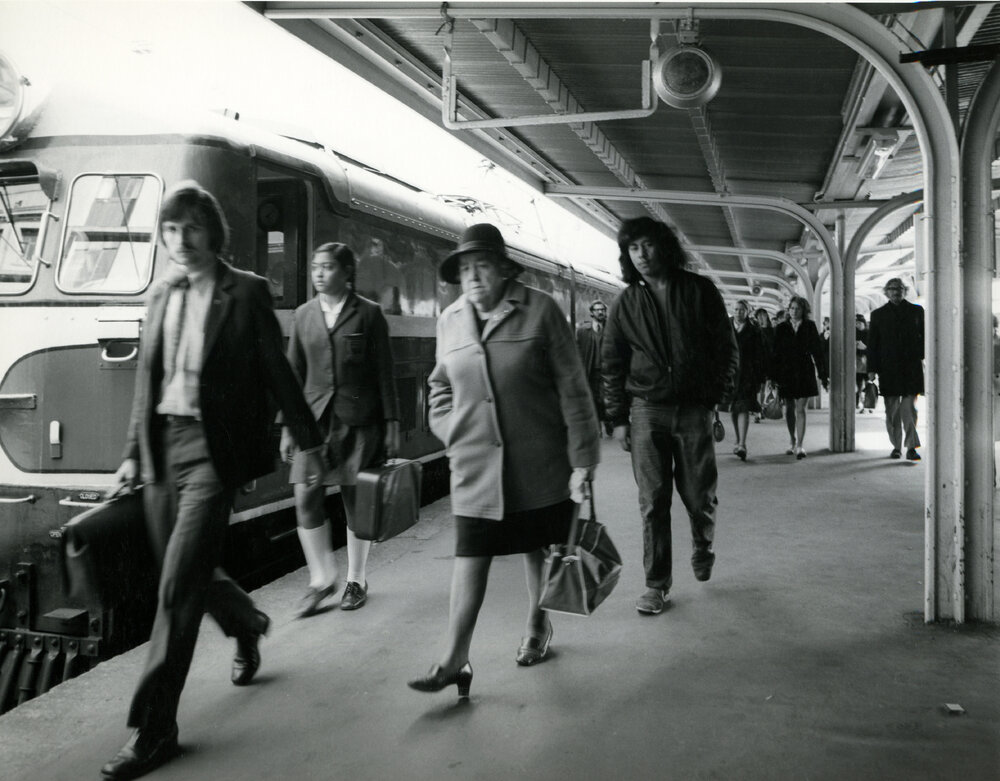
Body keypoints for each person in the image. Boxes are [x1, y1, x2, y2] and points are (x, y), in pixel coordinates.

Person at [102, 181, 325, 780]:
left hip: (211, 456)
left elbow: (276, 371)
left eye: (193, 227)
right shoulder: (159, 293)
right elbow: (146, 384)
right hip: (160, 452)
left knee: (176, 588)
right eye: (171, 230)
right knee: (186, 569)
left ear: (214, 230)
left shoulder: (244, 291)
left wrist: (311, 443)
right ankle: (247, 622)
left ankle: (156, 732)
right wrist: (131, 453)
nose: (181, 241)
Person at [408, 223, 598, 698]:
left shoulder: (541, 312)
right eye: (464, 269)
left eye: (481, 266)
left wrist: (582, 463)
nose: (472, 277)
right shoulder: (450, 319)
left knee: (539, 550)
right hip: (475, 468)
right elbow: (439, 387)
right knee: (471, 555)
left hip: (540, 464)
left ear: (503, 269)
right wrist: (451, 430)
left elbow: (573, 387)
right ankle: (454, 659)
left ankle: (537, 626)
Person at [602, 217, 737, 616]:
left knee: (699, 496)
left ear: (664, 246)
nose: (641, 255)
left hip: (694, 408)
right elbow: (612, 362)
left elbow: (725, 349)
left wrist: (716, 397)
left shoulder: (700, 291)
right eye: (633, 249)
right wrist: (619, 417)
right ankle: (656, 585)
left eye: (647, 245)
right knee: (652, 501)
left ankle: (703, 544)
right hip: (646, 409)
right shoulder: (625, 303)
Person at [280, 242, 400, 618]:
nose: (318, 273)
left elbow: (385, 374)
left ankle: (356, 580)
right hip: (313, 422)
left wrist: (393, 424)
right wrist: (287, 426)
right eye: (316, 267)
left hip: (359, 420)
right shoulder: (302, 315)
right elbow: (293, 375)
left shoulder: (369, 314)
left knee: (355, 502)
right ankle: (321, 579)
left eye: (328, 267)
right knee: (304, 495)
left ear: (347, 273)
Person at [866, 278, 924, 460]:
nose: (896, 291)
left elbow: (925, 336)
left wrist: (921, 356)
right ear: (886, 292)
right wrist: (871, 369)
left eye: (899, 288)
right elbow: (872, 345)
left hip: (911, 367)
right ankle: (896, 446)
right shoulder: (877, 315)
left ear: (904, 291)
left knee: (909, 409)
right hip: (888, 369)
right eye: (892, 289)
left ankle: (911, 447)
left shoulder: (917, 311)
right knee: (892, 411)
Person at [771, 295, 828, 459]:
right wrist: (772, 376)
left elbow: (817, 351)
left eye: (798, 308)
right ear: (788, 310)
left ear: (804, 310)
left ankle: (800, 445)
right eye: (792, 308)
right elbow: (775, 353)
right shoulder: (781, 328)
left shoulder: (810, 326)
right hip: (786, 371)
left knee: (801, 408)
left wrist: (823, 375)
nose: (794, 311)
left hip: (804, 369)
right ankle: (792, 439)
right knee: (789, 408)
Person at [728, 300, 765, 460]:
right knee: (733, 408)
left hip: (747, 375)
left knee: (743, 407)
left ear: (747, 311)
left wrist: (760, 377)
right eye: (736, 309)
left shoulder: (754, 331)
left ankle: (742, 443)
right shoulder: (725, 327)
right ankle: (737, 439)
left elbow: (760, 354)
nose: (738, 312)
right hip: (729, 373)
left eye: (742, 310)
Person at [575, 299, 611, 436]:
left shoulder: (612, 329)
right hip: (590, 372)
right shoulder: (583, 332)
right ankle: (597, 427)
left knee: (606, 398)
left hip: (608, 372)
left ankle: (608, 421)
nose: (601, 312)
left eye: (602, 309)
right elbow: (577, 351)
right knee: (593, 399)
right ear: (591, 313)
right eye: (597, 310)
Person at [754, 307, 776, 421]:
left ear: (767, 316)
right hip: (757, 362)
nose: (761, 318)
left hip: (768, 362)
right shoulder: (755, 330)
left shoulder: (772, 331)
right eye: (758, 316)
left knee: (765, 388)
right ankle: (758, 410)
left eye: (763, 315)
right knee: (759, 388)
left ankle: (761, 408)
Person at [855, 313, 870, 412]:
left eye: (859, 323)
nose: (857, 325)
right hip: (857, 361)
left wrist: (864, 348)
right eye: (856, 323)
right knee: (858, 384)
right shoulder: (853, 333)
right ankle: (857, 403)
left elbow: (873, 349)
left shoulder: (869, 333)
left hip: (868, 362)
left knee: (868, 384)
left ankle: (868, 404)